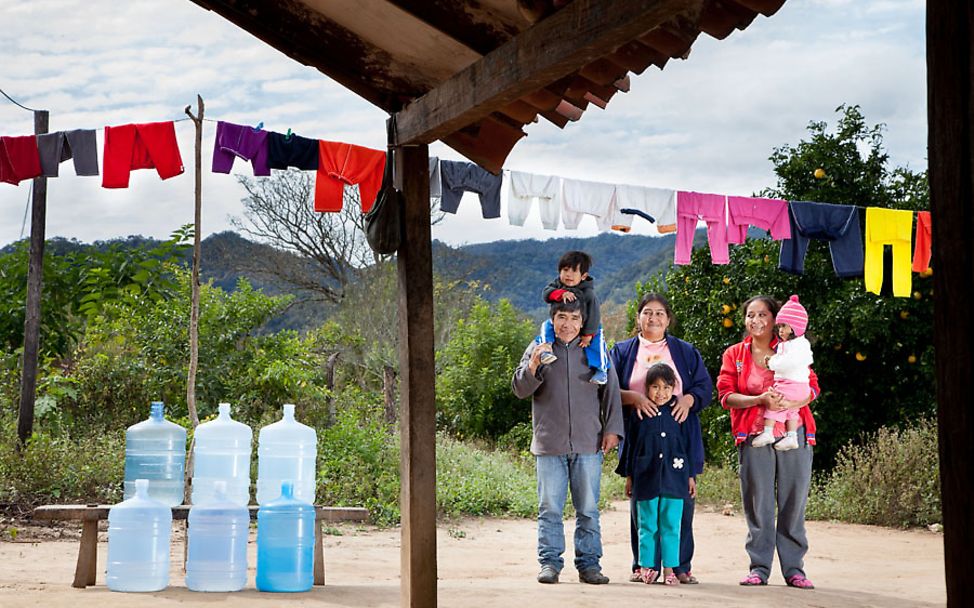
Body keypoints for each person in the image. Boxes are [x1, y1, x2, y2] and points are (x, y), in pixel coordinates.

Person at [512, 298, 624, 585]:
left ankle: (589, 565)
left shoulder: (596, 349)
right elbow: (520, 389)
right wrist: (535, 364)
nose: (568, 325)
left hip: (588, 442)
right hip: (549, 443)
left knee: (588, 508)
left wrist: (612, 430)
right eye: (562, 317)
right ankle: (549, 563)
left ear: (583, 322)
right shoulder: (539, 347)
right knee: (549, 508)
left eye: (575, 319)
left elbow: (610, 391)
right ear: (552, 319)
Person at [716, 295, 819, 590]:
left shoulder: (792, 347)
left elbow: (812, 386)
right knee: (758, 502)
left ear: (776, 319)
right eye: (750, 315)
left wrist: (795, 399)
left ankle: (794, 569)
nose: (756, 321)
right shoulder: (735, 354)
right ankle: (759, 568)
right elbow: (725, 396)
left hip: (793, 429)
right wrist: (759, 399)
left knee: (793, 500)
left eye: (763, 315)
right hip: (754, 434)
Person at [609, 293, 712, 584]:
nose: (653, 318)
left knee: (679, 507)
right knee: (643, 507)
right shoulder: (622, 351)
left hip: (678, 438)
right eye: (647, 313)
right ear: (638, 317)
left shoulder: (685, 351)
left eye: (659, 313)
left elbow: (705, 386)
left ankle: (679, 566)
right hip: (642, 439)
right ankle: (644, 566)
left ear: (668, 319)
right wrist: (634, 398)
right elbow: (606, 390)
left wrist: (689, 400)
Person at [617, 363, 697, 586]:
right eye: (654, 387)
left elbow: (689, 447)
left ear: (674, 389)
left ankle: (670, 569)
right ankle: (647, 567)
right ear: (646, 388)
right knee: (647, 526)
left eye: (666, 387)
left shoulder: (680, 414)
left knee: (672, 525)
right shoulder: (639, 414)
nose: (660, 393)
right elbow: (631, 447)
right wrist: (629, 476)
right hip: (645, 478)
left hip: (676, 479)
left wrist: (690, 476)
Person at [538, 250, 610, 384]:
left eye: (574, 271)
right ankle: (546, 351)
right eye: (565, 270)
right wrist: (560, 293)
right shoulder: (558, 284)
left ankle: (601, 369)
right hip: (559, 323)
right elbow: (546, 294)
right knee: (546, 326)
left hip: (587, 324)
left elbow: (594, 314)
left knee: (598, 340)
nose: (568, 274)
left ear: (583, 276)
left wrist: (588, 334)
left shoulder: (589, 294)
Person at [753, 295, 813, 451]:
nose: (780, 331)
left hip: (792, 385)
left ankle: (768, 432)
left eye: (784, 327)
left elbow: (787, 363)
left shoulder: (797, 345)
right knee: (792, 410)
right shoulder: (794, 344)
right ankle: (792, 436)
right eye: (779, 327)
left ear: (795, 328)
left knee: (775, 402)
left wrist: (771, 363)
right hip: (799, 386)